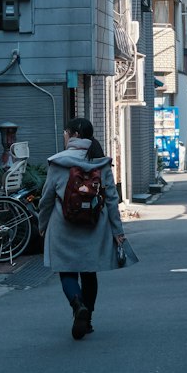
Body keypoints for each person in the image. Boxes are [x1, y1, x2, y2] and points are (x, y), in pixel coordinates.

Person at [36, 117, 133, 340]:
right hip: (94, 226)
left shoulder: (58, 162)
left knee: (67, 271)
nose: (64, 135)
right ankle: (87, 318)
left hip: (63, 226)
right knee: (89, 273)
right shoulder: (100, 162)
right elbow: (111, 200)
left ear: (74, 135)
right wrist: (117, 232)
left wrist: (42, 226)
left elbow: (46, 199)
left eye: (66, 132)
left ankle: (76, 303)